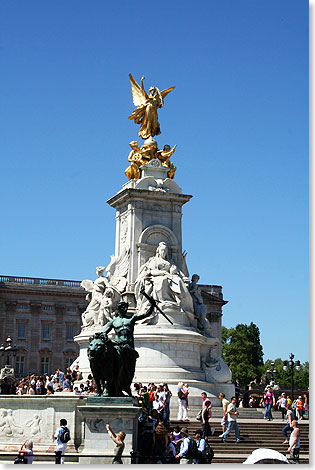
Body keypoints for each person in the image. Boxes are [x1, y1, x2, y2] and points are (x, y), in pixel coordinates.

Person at [135, 242, 194, 322]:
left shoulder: (170, 261)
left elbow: (176, 271)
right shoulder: (154, 260)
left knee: (178, 280)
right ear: (158, 251)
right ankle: (163, 301)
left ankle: (181, 303)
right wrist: (163, 273)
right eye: (162, 250)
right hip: (156, 277)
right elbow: (151, 271)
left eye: (165, 251)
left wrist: (176, 272)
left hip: (170, 277)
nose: (164, 252)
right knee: (163, 280)